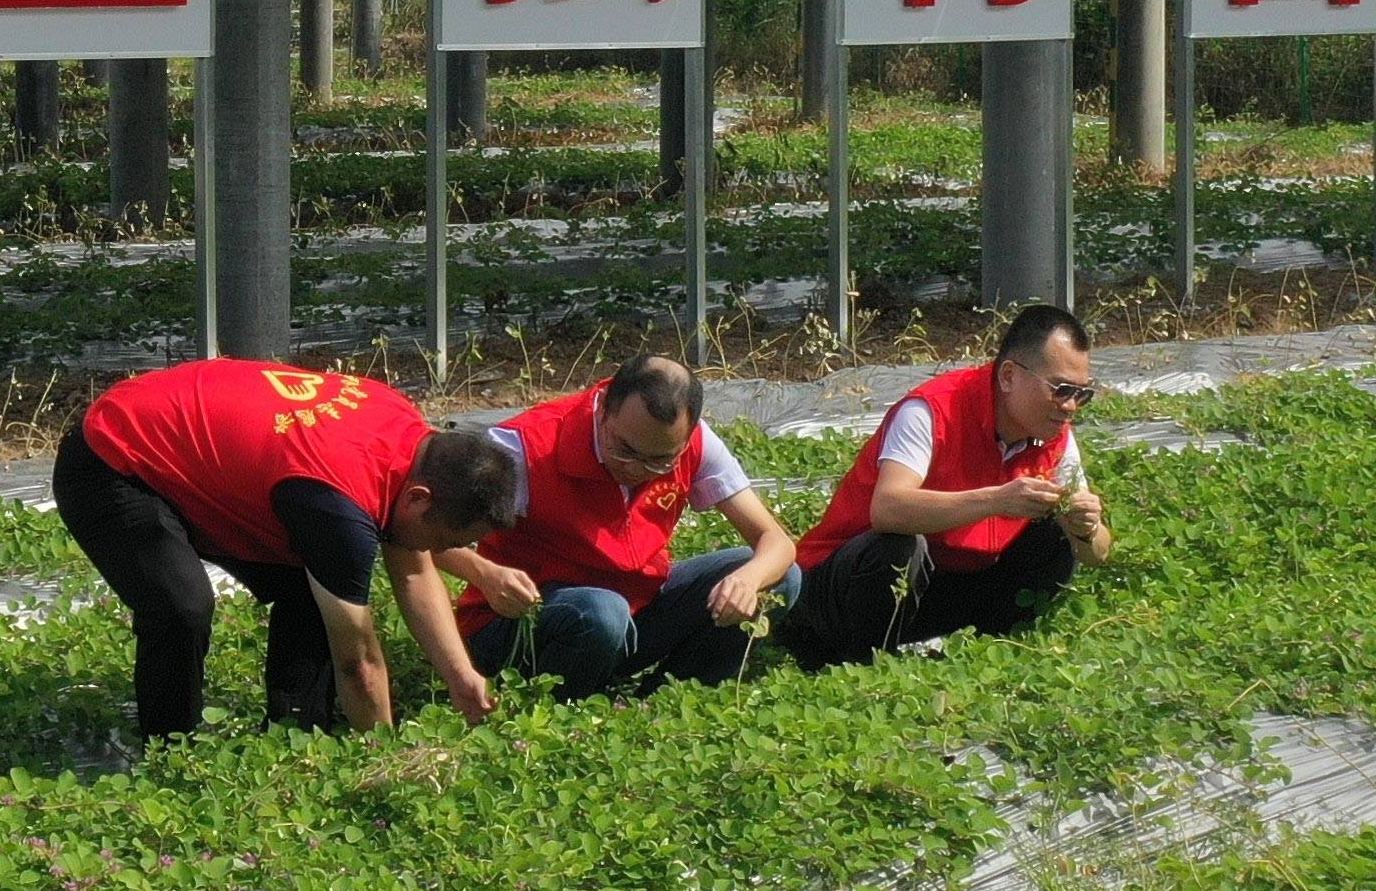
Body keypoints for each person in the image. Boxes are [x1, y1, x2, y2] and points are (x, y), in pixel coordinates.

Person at [56, 353, 523, 739]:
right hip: (111, 459)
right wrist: (389, 762)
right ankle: (168, 749)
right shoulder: (339, 502)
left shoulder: (408, 435)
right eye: (447, 543)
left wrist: (462, 679)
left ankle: (297, 735)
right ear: (420, 500)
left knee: (316, 584)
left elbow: (415, 569)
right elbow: (358, 662)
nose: (441, 554)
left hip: (189, 438)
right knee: (182, 607)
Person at [437, 355, 803, 692]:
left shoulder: (697, 444)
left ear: (687, 435)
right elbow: (424, 533)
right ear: (602, 412)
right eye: (624, 450)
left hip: (632, 610)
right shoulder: (524, 447)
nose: (637, 469)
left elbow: (776, 541)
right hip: (523, 622)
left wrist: (748, 579)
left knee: (780, 577)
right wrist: (485, 574)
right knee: (602, 611)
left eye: (660, 460)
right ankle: (568, 706)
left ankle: (668, 696)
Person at [778, 305, 1111, 671]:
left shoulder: (1055, 436)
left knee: (1056, 538)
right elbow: (887, 510)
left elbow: (1096, 553)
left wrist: (1088, 529)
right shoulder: (932, 410)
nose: (1070, 407)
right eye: (1060, 389)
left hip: (942, 583)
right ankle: (855, 657)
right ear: (1009, 376)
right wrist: (996, 499)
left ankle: (989, 649)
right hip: (843, 587)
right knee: (900, 546)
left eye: (1082, 394)